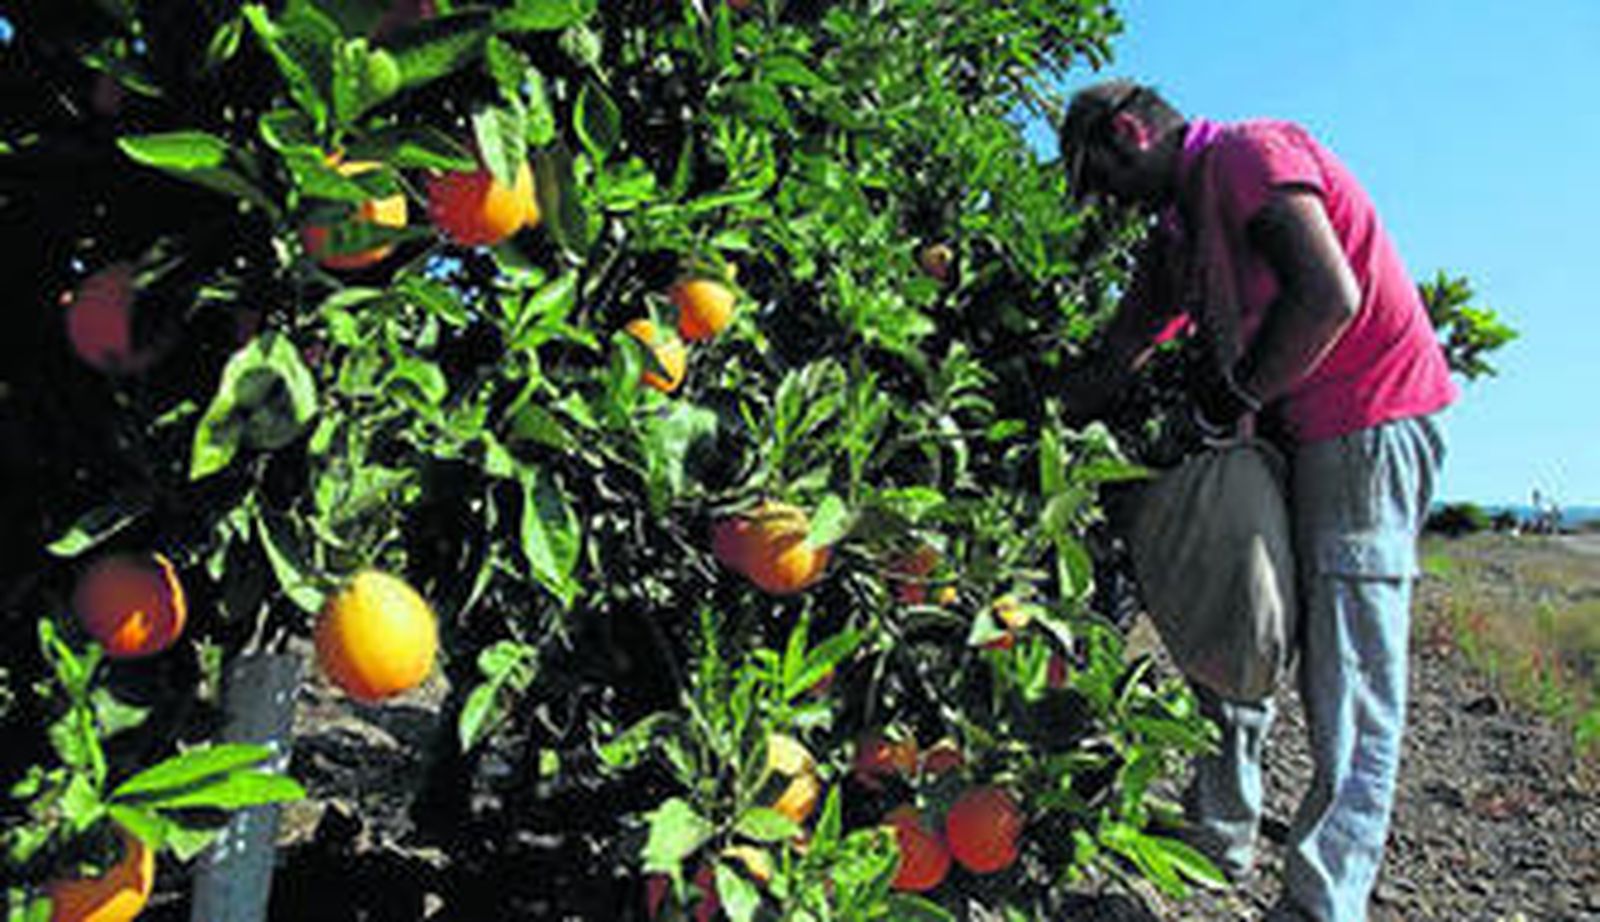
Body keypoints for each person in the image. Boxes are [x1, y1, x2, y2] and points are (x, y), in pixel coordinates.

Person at [1056, 80, 1457, 922]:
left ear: (1131, 132)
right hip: (1297, 432)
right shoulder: (1180, 229)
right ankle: (1218, 836)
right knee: (1242, 612)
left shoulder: (1247, 156)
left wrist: (1222, 397)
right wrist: (1030, 422)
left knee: (1349, 675)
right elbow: (1123, 346)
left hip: (1370, 421)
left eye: (1106, 180)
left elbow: (1328, 297)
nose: (1114, 207)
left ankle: (1320, 904)